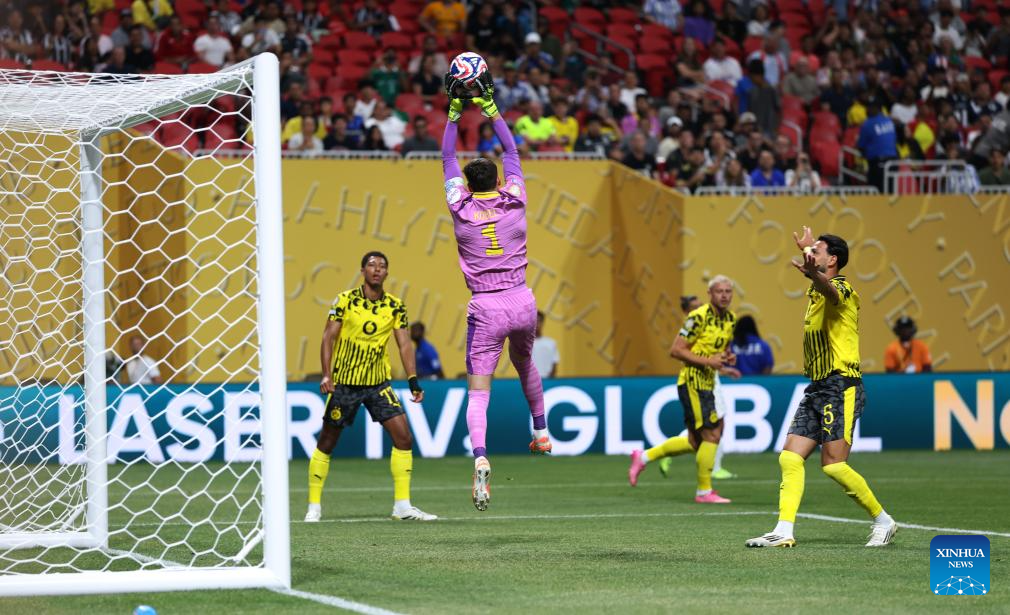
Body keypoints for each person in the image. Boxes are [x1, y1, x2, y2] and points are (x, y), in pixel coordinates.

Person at [441, 71, 552, 511]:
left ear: (468, 185)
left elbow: (447, 156)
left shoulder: (460, 206)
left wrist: (455, 112)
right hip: (522, 300)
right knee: (525, 363)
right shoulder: (515, 198)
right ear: (498, 180)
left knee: (478, 391)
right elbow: (512, 150)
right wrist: (491, 109)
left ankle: (481, 456)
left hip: (486, 306)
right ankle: (541, 431)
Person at [747, 228, 896, 549]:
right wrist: (811, 263)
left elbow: (830, 290)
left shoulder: (843, 289)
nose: (811, 254)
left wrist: (813, 271)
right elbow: (819, 283)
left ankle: (883, 520)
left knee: (834, 464)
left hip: (841, 384)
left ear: (833, 260)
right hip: (817, 387)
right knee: (789, 457)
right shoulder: (815, 291)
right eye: (811, 250)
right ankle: (783, 530)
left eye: (817, 251)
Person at [307, 251, 436, 523]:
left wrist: (412, 380)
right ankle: (314, 506)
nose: (377, 269)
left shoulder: (395, 306)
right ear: (362, 271)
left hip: (378, 384)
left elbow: (404, 344)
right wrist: (326, 374)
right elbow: (328, 337)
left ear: (387, 273)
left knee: (404, 438)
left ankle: (402, 506)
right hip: (345, 384)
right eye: (372, 265)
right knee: (327, 442)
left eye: (382, 266)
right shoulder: (345, 300)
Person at [628, 276, 738, 503]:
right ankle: (704, 492)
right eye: (719, 291)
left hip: (709, 381)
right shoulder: (697, 317)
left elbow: (719, 349)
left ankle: (643, 457)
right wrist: (709, 361)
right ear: (710, 293)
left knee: (694, 442)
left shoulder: (730, 319)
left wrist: (726, 359)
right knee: (713, 434)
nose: (724, 295)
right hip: (693, 382)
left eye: (728, 291)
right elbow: (676, 350)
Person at [857, 97, 897, 192]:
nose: (866, 110)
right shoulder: (888, 121)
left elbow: (861, 147)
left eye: (869, 107)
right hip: (893, 163)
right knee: (889, 192)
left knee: (876, 192)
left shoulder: (867, 124)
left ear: (877, 108)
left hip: (878, 164)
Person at [532, 311, 559, 379]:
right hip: (529, 381)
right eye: (534, 321)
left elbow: (554, 364)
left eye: (539, 321)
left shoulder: (551, 343)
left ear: (542, 323)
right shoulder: (524, 343)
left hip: (548, 381)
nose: (536, 324)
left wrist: (550, 381)